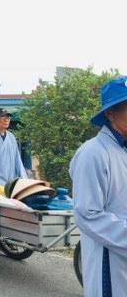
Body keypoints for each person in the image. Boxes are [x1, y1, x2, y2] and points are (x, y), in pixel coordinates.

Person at [70, 76, 127, 296]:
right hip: (110, 258)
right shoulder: (93, 153)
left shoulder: (121, 150)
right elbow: (88, 214)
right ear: (110, 114)